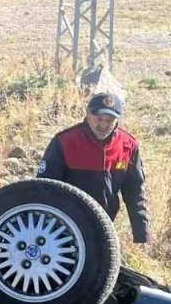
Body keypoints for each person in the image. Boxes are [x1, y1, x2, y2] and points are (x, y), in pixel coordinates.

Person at [37, 92, 151, 244]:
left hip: (105, 226)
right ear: (88, 114)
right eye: (99, 118)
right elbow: (43, 189)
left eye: (109, 120)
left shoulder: (128, 146)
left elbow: (135, 193)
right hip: (64, 227)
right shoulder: (65, 141)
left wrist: (142, 233)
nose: (103, 125)